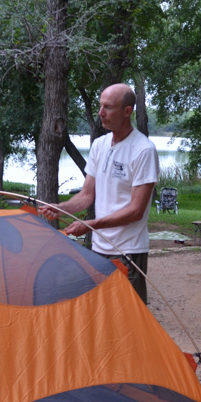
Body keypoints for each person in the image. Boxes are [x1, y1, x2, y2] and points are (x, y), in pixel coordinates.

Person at [39, 84, 158, 303]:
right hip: (98, 250)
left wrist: (90, 225)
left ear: (127, 111)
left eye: (108, 107)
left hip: (128, 252)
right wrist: (60, 208)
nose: (101, 113)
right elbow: (86, 195)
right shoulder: (99, 145)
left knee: (128, 321)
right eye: (100, 106)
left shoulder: (144, 150)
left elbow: (136, 211)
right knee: (102, 317)